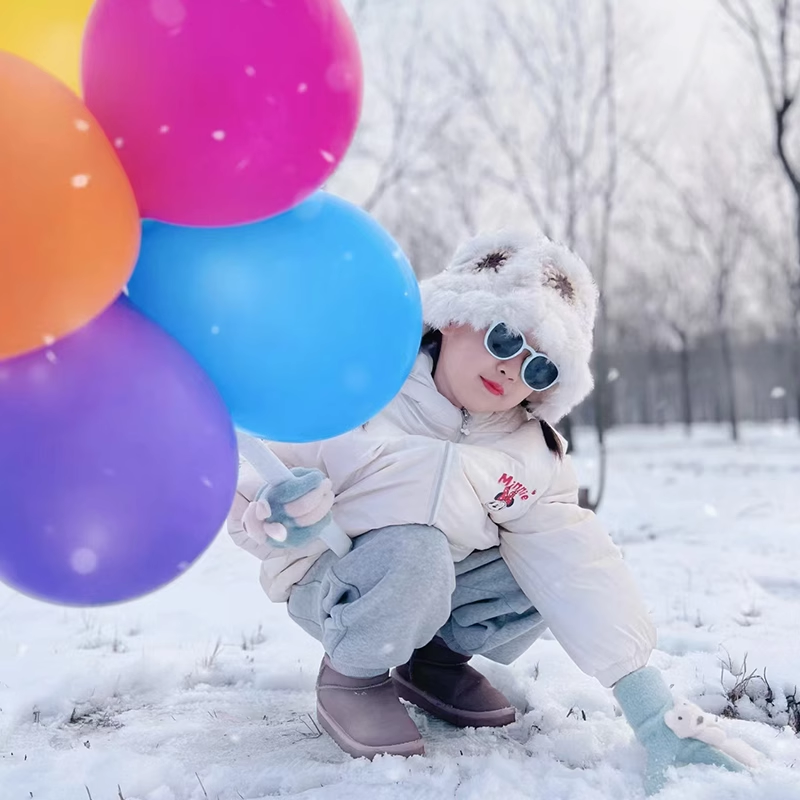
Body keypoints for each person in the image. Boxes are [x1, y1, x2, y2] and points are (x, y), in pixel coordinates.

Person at [227, 232, 750, 794]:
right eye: (505, 340)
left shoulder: (531, 453)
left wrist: (650, 710)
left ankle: (431, 664)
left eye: (539, 369)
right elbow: (267, 463)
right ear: (453, 317)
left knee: (543, 569)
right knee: (415, 547)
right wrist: (274, 509)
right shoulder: (366, 388)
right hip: (331, 579)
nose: (512, 371)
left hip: (426, 583)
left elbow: (579, 570)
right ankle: (352, 678)